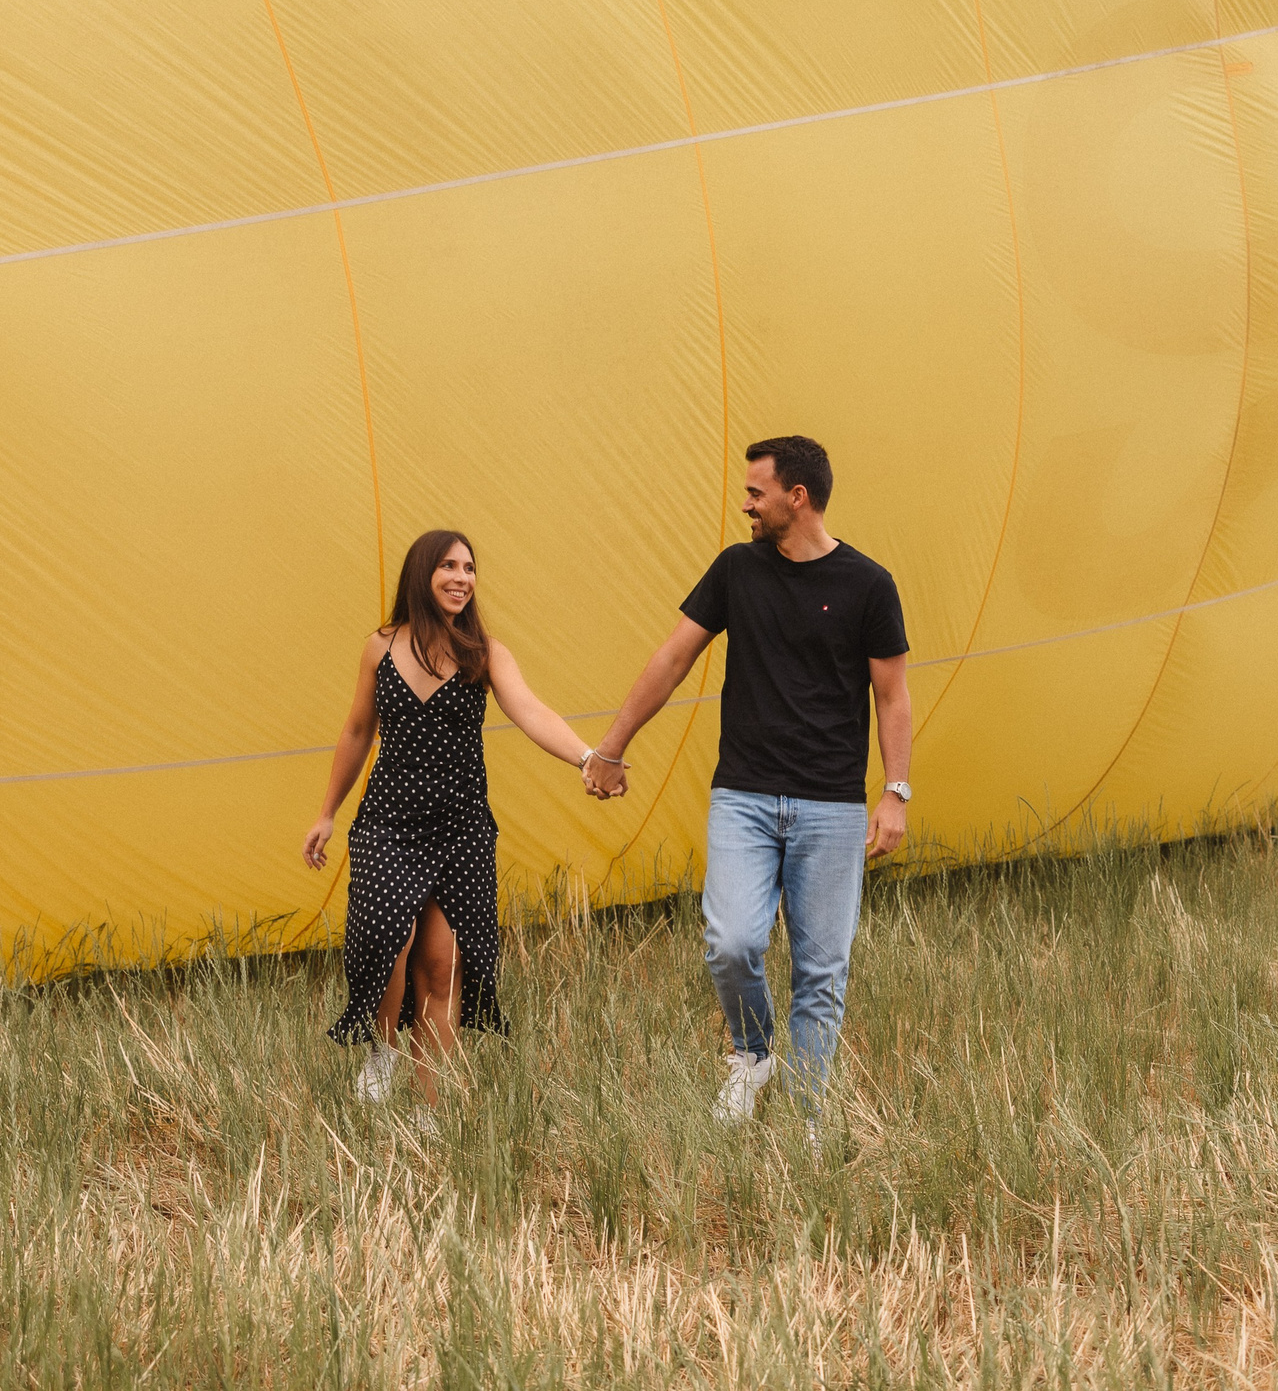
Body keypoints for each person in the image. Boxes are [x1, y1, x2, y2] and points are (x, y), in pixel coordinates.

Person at [585, 436, 911, 1123]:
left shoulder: (869, 585)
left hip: (831, 805)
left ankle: (809, 1119)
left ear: (797, 496)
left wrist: (895, 792)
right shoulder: (737, 570)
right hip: (745, 795)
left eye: (756, 492)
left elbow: (893, 696)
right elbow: (673, 658)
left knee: (820, 972)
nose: (745, 504)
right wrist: (611, 746)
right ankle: (753, 1052)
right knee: (731, 940)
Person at [304, 529, 624, 1114]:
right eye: (448, 566)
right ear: (422, 574)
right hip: (388, 825)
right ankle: (383, 1048)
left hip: (461, 831)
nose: (461, 578)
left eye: (470, 568)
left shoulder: (485, 652)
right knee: (382, 940)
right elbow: (356, 732)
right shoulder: (380, 647)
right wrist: (326, 812)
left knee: (442, 966)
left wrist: (587, 756)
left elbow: (530, 710)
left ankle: (431, 1111)